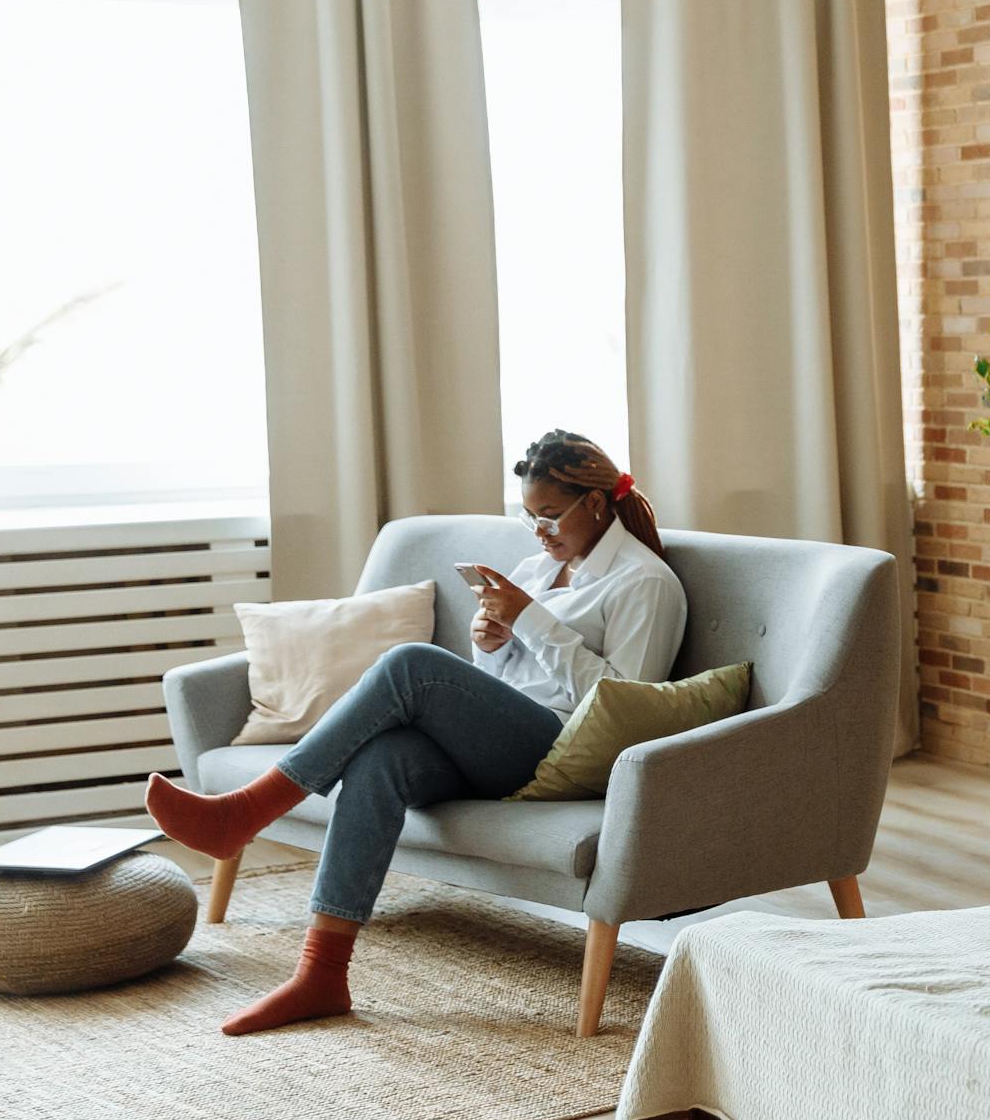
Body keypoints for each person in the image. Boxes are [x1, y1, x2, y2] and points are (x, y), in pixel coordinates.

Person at [146, 431, 687, 1034]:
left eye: (551, 515)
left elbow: (626, 703)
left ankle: (246, 811)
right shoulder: (539, 568)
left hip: (572, 752)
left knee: (411, 664)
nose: (539, 532)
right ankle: (321, 973)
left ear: (596, 502)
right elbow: (516, 680)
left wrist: (530, 621)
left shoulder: (645, 583)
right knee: (384, 756)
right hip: (512, 741)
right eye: (529, 517)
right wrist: (494, 646)